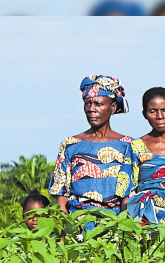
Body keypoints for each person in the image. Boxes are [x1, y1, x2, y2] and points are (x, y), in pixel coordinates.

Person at [48, 75, 135, 228]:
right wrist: (65, 233)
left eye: (98, 104)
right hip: (77, 226)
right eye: (87, 103)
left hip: (114, 226)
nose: (91, 109)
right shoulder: (70, 144)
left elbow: (130, 196)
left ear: (113, 107)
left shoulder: (128, 145)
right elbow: (62, 196)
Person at [126, 87, 165, 225]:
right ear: (144, 114)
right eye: (153, 111)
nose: (160, 116)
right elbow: (128, 189)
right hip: (143, 224)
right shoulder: (136, 146)